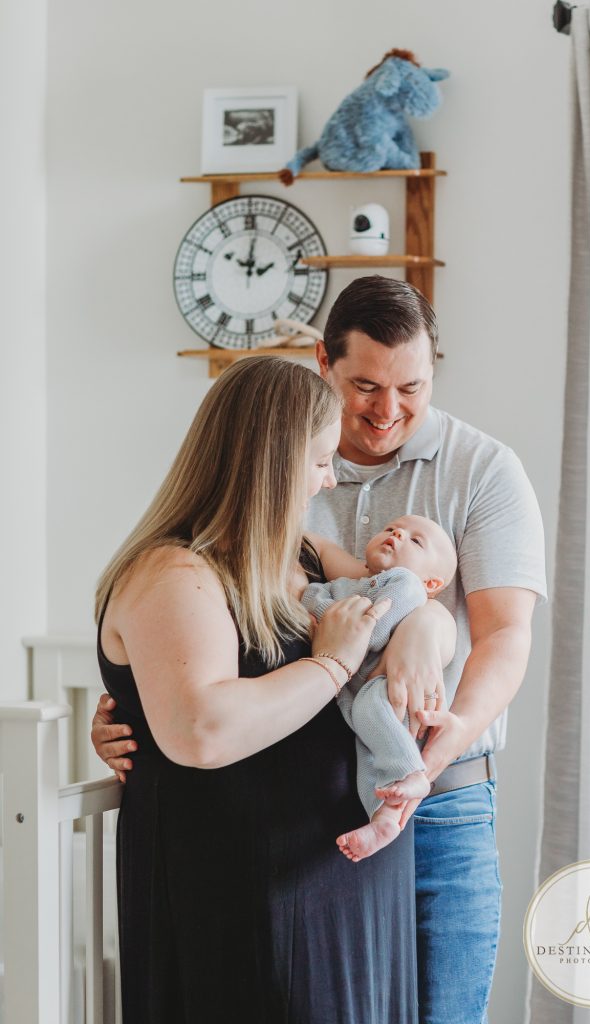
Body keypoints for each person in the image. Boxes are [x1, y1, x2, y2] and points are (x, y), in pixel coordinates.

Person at [93, 276, 547, 1024]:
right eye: (365, 387)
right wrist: (135, 706)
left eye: (411, 387)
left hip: (434, 799)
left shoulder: (479, 471)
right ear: (325, 368)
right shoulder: (211, 558)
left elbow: (485, 628)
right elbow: (206, 691)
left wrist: (427, 642)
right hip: (284, 859)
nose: (386, 410)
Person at [302, 514, 458, 862]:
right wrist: (324, 606)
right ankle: (384, 819)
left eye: (415, 541)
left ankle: (413, 773)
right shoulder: (351, 585)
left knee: (369, 711)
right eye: (390, 529)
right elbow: (310, 596)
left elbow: (371, 633)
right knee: (369, 760)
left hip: (392, 690)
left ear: (431, 583)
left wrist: (328, 617)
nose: (397, 533)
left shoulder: (406, 585)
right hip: (359, 692)